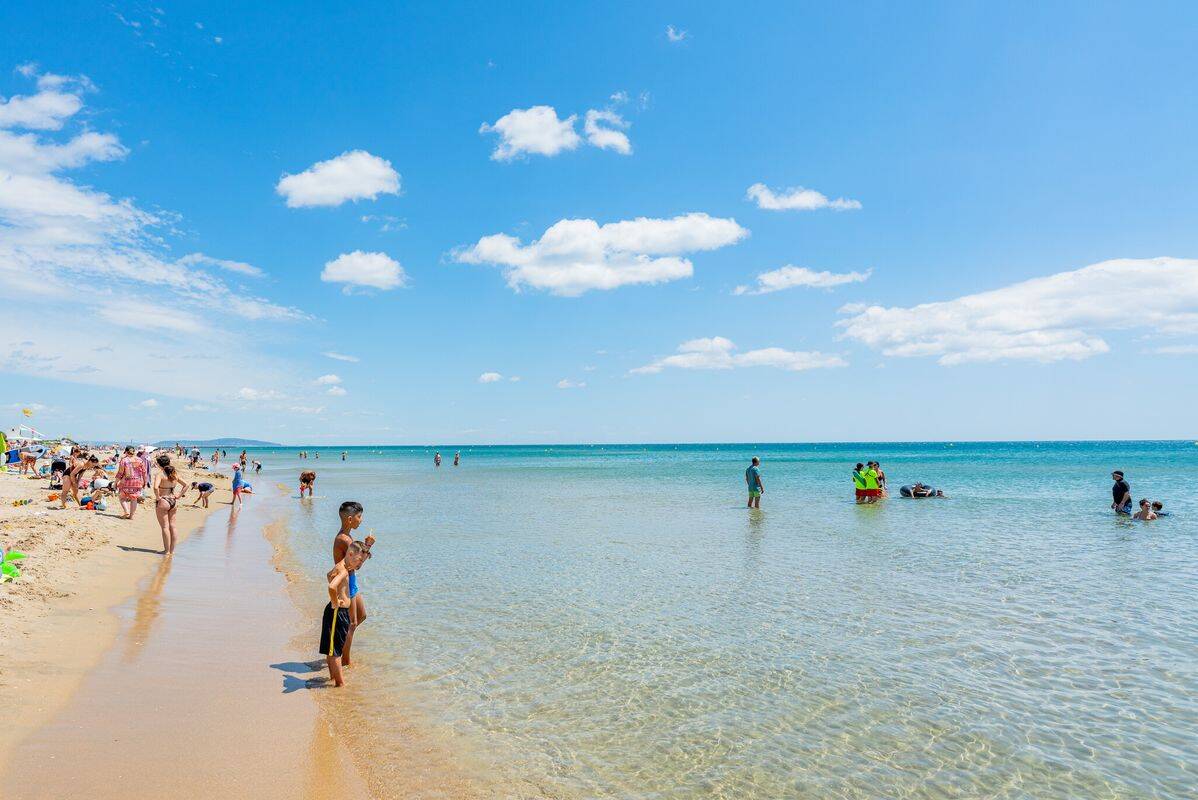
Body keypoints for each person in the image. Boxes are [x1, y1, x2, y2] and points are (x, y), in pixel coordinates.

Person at [332, 501, 374, 668]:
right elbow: (357, 564)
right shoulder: (343, 539)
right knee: (352, 623)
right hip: (346, 583)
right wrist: (368, 545)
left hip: (351, 580)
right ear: (350, 519)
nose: (361, 520)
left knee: (361, 616)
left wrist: (365, 547)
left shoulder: (347, 537)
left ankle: (340, 646)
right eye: (359, 517)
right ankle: (345, 661)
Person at [322, 540, 368, 687]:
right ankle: (340, 684)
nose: (360, 564)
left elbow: (329, 575)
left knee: (332, 649)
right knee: (335, 652)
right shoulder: (343, 570)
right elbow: (331, 586)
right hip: (337, 612)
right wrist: (335, 601)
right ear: (350, 554)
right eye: (359, 560)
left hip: (338, 612)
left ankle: (332, 679)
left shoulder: (342, 567)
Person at [153, 463, 185, 555]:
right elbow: (186, 485)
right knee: (173, 526)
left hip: (164, 500)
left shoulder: (160, 475)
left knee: (165, 527)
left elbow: (155, 487)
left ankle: (166, 551)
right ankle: (172, 551)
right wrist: (179, 495)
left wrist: (158, 497)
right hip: (173, 501)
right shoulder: (174, 475)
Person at [115, 445, 148, 519]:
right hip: (137, 482)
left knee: (122, 497)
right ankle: (131, 516)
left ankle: (126, 511)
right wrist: (145, 482)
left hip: (125, 482)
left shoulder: (124, 460)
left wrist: (116, 482)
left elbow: (120, 473)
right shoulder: (140, 460)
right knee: (134, 499)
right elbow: (144, 472)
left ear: (126, 452)